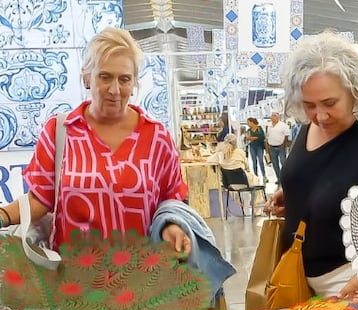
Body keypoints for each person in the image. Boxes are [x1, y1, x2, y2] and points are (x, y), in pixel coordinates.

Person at [0, 27, 190, 255]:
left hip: (142, 279)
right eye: (105, 76)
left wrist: (172, 227)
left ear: (134, 82)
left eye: (125, 79)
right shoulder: (60, 131)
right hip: (74, 280)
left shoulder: (156, 137)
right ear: (87, 77)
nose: (115, 89)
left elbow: (172, 200)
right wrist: (4, 216)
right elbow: (41, 198)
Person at [264, 31, 358, 298]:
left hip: (352, 288)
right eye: (309, 104)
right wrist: (296, 196)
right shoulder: (308, 127)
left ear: (355, 92)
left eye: (329, 103)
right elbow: (328, 178)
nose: (320, 115)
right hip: (299, 281)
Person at [208, 133, 260, 214]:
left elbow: (209, 160)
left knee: (247, 180)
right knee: (256, 180)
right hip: (243, 181)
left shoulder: (221, 153)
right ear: (236, 142)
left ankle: (241, 204)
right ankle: (254, 206)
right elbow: (247, 167)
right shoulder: (240, 152)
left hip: (229, 183)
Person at [265, 111, 290, 182]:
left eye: (274, 116)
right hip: (272, 147)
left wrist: (284, 145)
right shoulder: (269, 126)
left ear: (278, 117)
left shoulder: (283, 125)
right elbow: (267, 137)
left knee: (283, 162)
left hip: (280, 147)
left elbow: (286, 136)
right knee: (275, 164)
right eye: (272, 116)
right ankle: (279, 178)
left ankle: (286, 177)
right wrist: (267, 148)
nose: (272, 117)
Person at [244, 117, 266, 181]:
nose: (247, 124)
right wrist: (252, 138)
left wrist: (253, 138)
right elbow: (247, 138)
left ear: (252, 122)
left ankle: (264, 175)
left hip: (259, 147)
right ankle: (256, 176)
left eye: (248, 122)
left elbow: (262, 136)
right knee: (254, 162)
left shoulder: (259, 128)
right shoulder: (249, 130)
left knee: (261, 161)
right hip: (252, 147)